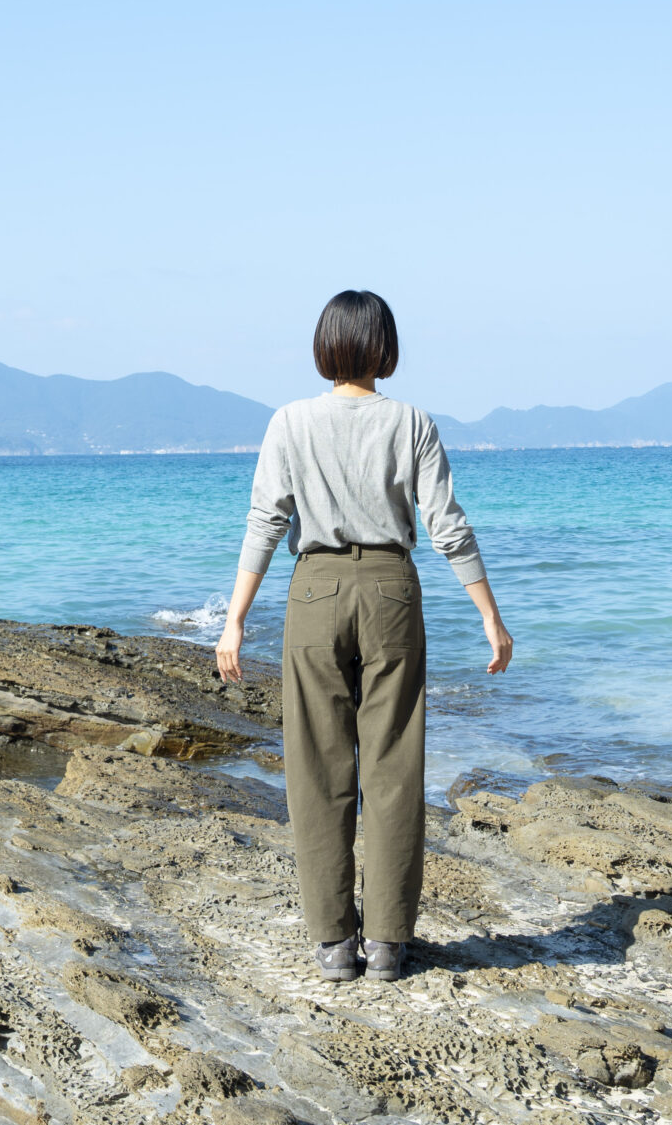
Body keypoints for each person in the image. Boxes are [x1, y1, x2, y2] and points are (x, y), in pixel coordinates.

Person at [215, 290, 514, 984]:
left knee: (318, 771)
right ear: (384, 347)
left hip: (313, 588)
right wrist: (489, 614)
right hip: (390, 590)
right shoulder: (412, 423)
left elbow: (265, 521)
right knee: (393, 767)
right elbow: (447, 525)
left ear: (326, 345)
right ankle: (385, 943)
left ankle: (331, 945)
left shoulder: (288, 422)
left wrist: (235, 620)